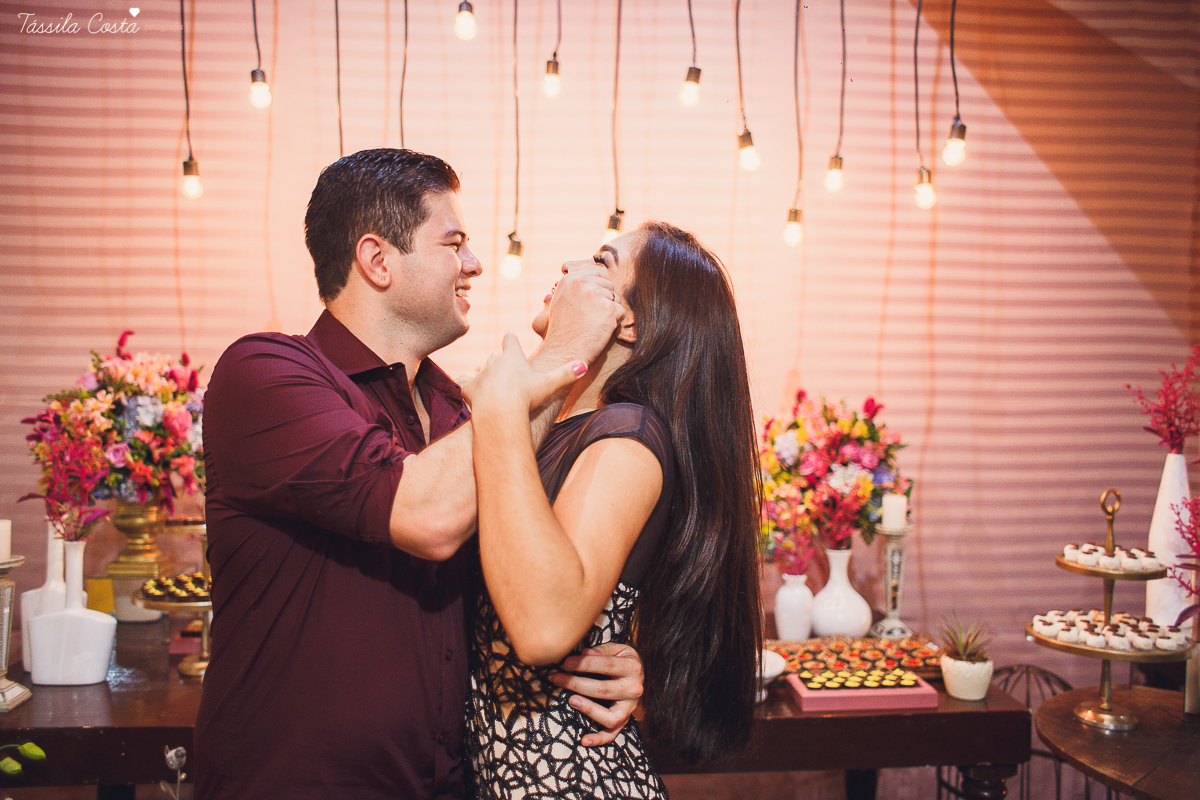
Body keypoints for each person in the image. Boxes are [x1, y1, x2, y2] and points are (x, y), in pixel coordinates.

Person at [194, 148, 644, 800]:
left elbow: (517, 589)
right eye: (454, 243)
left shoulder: (458, 408)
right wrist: (566, 353)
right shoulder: (264, 374)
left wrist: (612, 662)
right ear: (378, 261)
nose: (475, 264)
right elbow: (427, 516)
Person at [462, 222, 763, 798]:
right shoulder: (561, 430)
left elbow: (545, 625)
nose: (571, 265)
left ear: (627, 318)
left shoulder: (627, 432)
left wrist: (503, 401)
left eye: (601, 261)